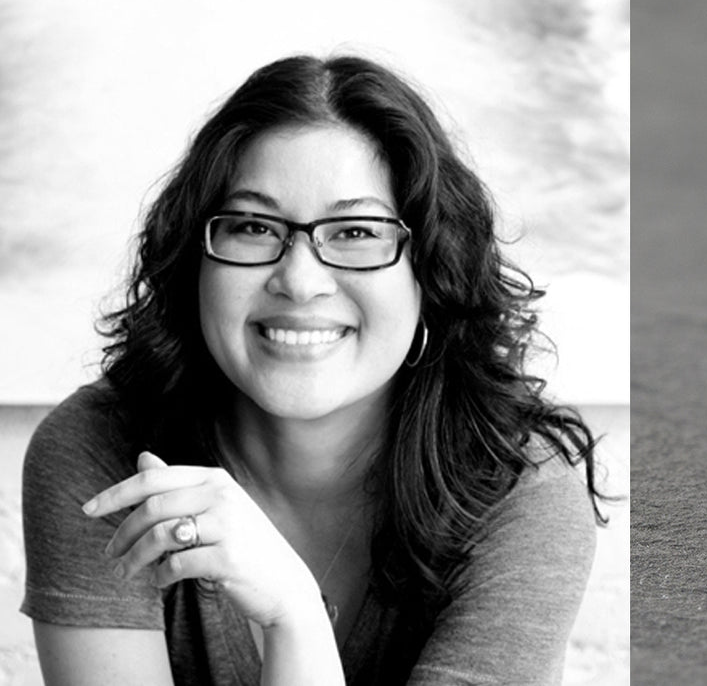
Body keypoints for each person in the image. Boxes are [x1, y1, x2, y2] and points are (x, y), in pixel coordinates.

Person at [20, 55, 606, 685]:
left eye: (355, 231)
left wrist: (293, 619)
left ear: (432, 271)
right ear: (194, 262)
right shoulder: (99, 452)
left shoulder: (519, 488)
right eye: (251, 226)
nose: (300, 281)